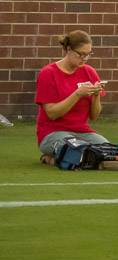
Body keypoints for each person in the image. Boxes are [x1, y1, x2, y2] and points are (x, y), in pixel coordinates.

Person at [35, 31, 110, 164]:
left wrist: (96, 95)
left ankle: (59, 159)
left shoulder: (89, 71)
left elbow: (94, 116)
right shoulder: (48, 73)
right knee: (79, 150)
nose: (85, 58)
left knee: (107, 150)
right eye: (81, 54)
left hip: (82, 132)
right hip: (53, 133)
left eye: (88, 54)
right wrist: (77, 94)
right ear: (68, 49)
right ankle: (54, 157)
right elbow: (52, 114)